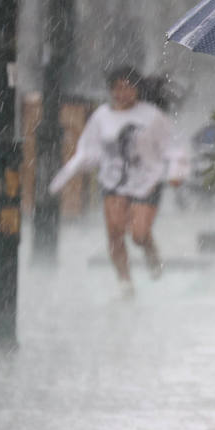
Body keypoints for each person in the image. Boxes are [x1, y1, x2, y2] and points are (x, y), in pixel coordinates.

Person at [48, 65, 189, 296]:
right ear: (111, 90)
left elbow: (172, 147)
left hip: (147, 181)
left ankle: (150, 250)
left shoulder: (152, 116)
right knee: (114, 232)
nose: (122, 93)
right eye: (118, 88)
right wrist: (64, 177)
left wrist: (175, 173)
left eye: (128, 87)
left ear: (137, 90)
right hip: (113, 182)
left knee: (139, 233)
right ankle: (124, 280)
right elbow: (87, 151)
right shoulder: (101, 117)